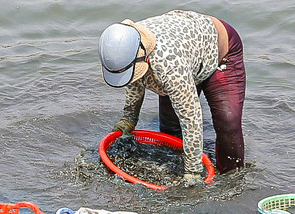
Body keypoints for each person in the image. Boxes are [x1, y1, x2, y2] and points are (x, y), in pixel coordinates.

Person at [100, 10, 246, 183]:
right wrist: (129, 118)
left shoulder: (169, 66)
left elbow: (191, 118)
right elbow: (133, 78)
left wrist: (193, 172)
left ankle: (232, 182)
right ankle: (176, 170)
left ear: (145, 60)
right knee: (170, 129)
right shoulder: (123, 43)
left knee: (227, 122)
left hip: (220, 50)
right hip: (187, 53)